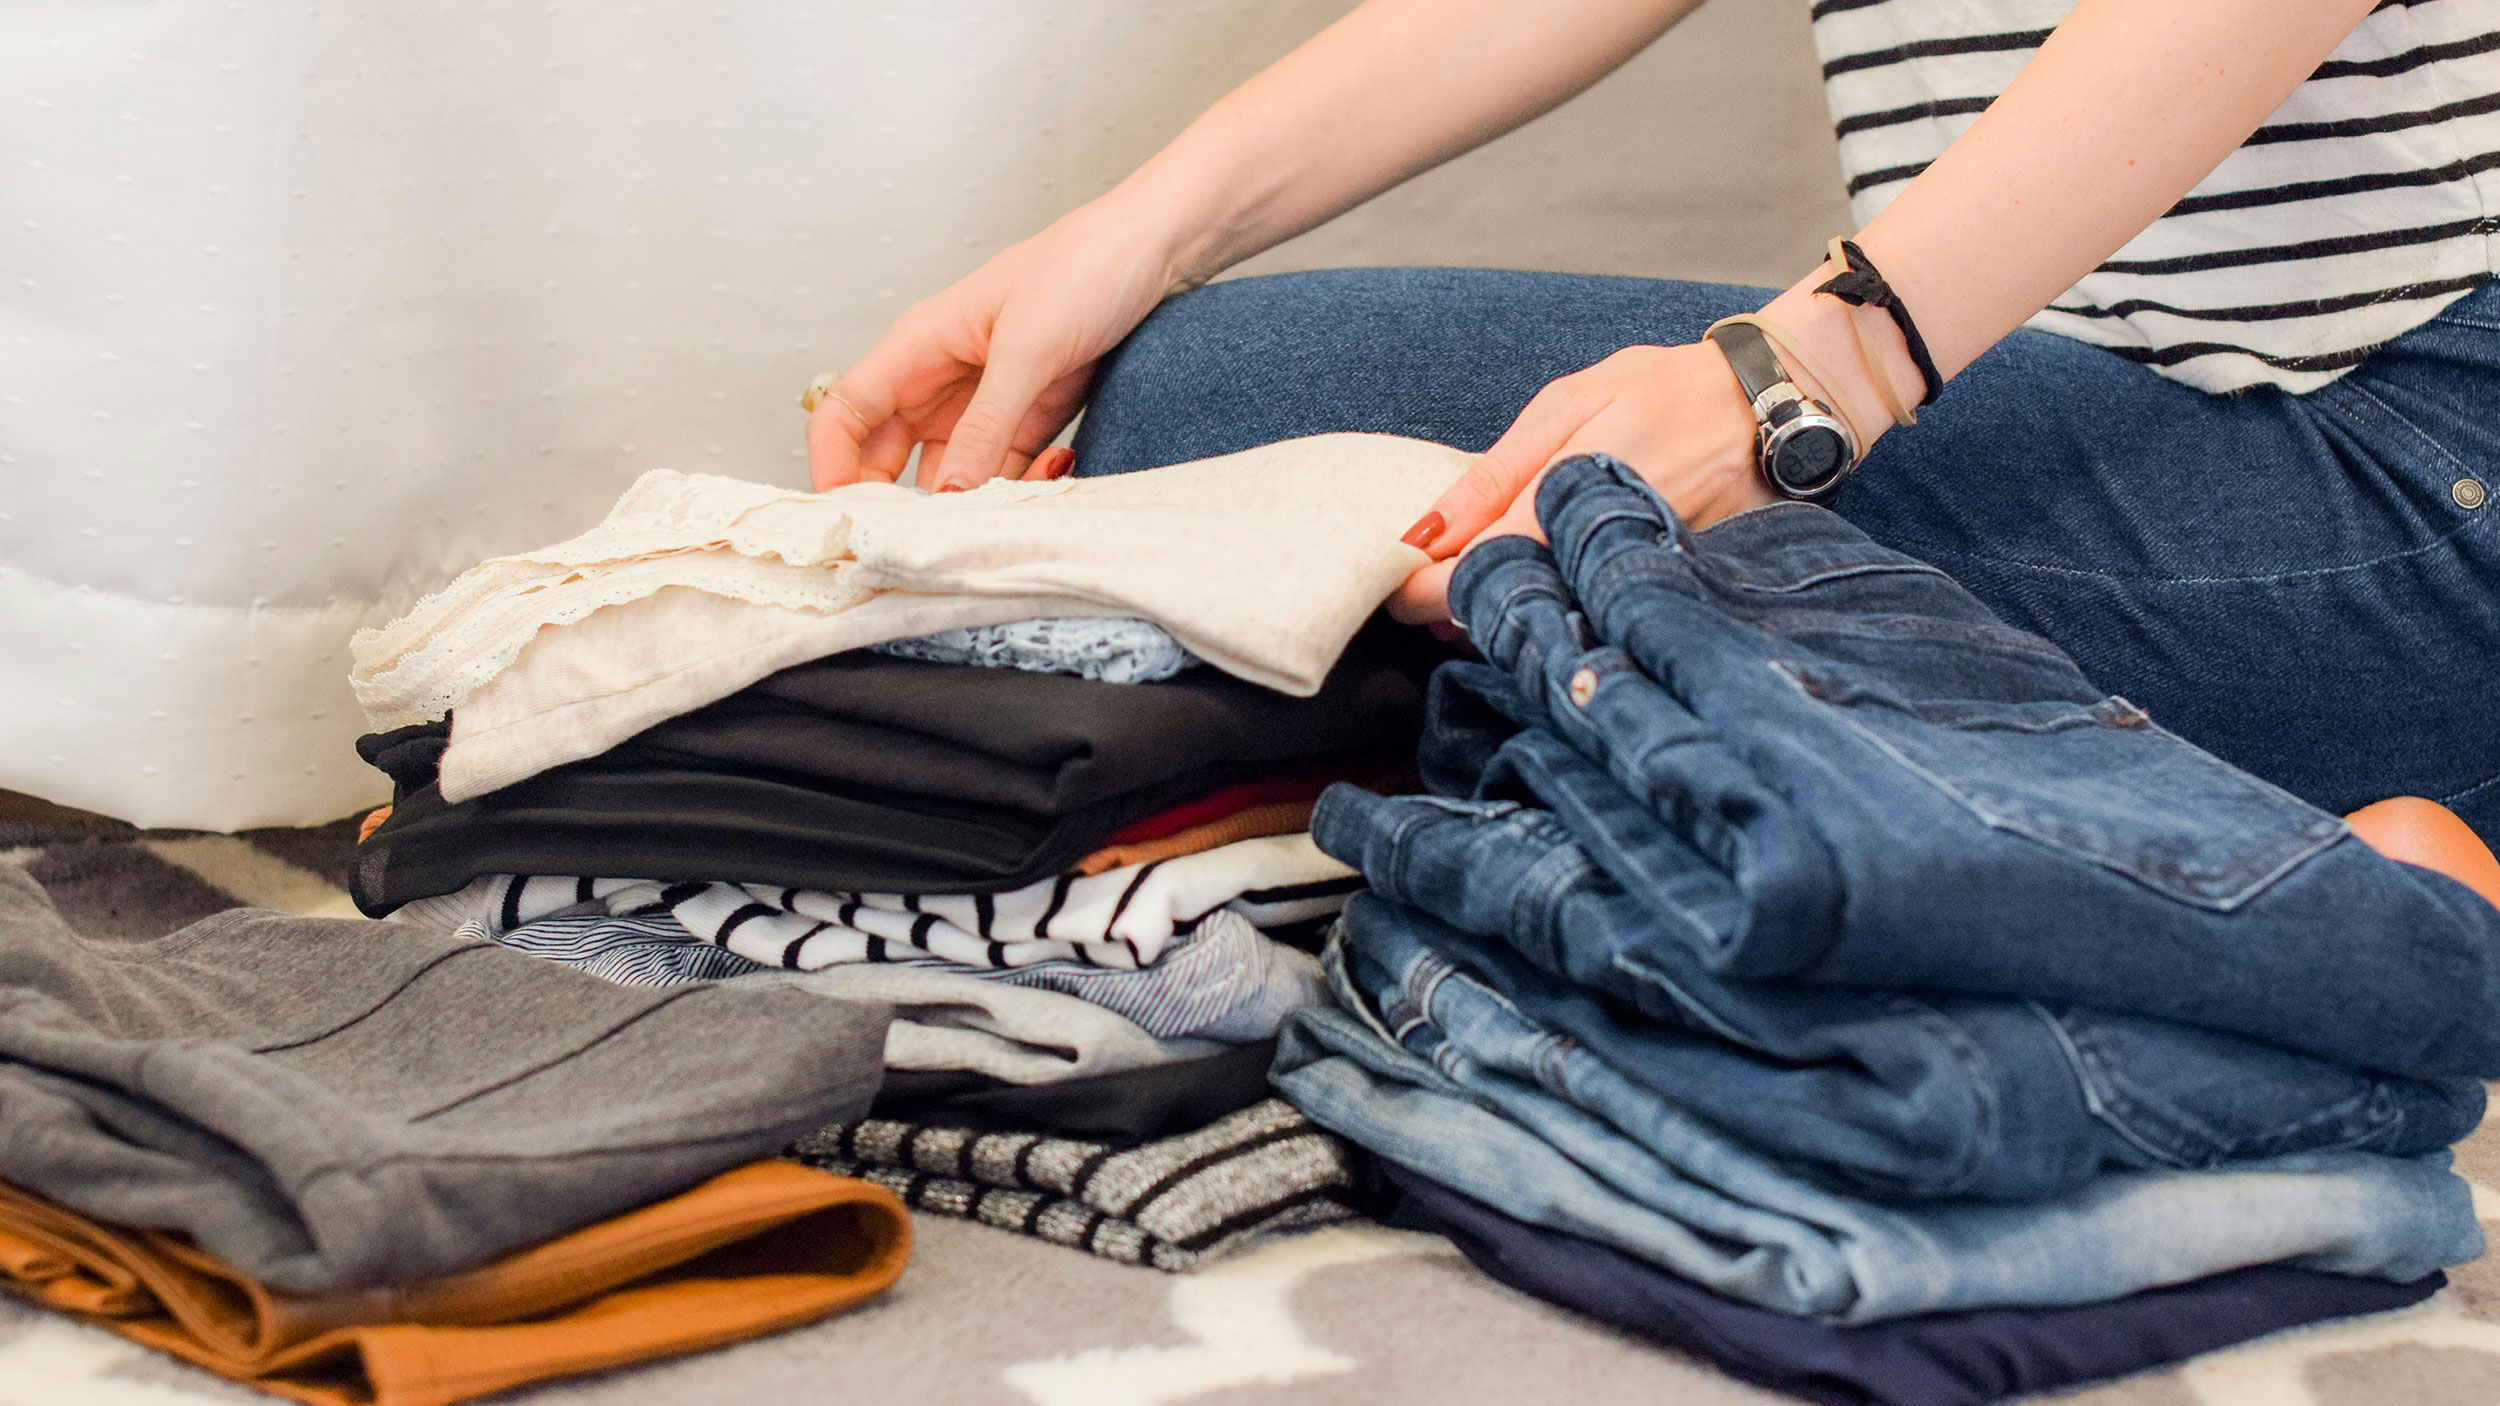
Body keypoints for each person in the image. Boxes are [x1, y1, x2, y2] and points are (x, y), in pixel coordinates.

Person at [800, 0, 2500, 871]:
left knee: (1219, 435)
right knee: (1179, 401)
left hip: (2402, 450)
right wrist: (1132, 235)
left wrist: (1822, 370)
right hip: (2080, 393)